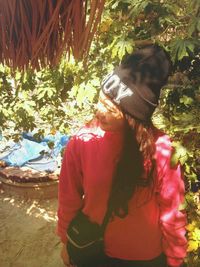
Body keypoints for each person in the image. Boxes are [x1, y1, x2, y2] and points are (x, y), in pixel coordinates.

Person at [57, 44, 187, 267]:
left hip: (144, 258)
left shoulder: (161, 149)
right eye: (100, 100)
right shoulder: (83, 141)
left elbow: (171, 211)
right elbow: (68, 198)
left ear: (131, 115)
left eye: (110, 107)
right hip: (93, 250)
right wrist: (65, 242)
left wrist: (175, 258)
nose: (99, 111)